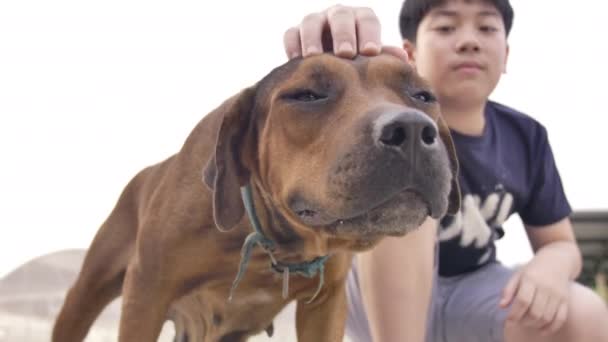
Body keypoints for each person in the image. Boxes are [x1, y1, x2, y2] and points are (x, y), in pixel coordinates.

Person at [283, 1, 608, 341]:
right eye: (445, 27)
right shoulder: (378, 117)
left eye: (486, 28)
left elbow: (562, 245)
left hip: (473, 291)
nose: (469, 41)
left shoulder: (526, 137)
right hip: (372, 299)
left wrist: (550, 268)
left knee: (583, 312)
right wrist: (336, 61)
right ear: (409, 54)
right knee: (406, 190)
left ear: (507, 54)